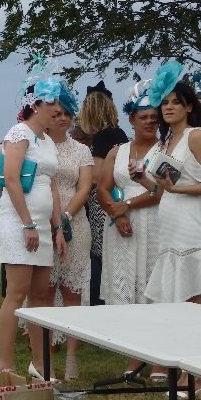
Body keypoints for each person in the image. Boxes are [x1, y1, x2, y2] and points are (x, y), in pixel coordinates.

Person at [141, 63, 201, 397]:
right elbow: (161, 191)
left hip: (191, 223)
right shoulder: (165, 141)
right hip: (169, 223)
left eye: (176, 102)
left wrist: (177, 190)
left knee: (196, 299)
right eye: (165, 102)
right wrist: (143, 180)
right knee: (175, 299)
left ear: (189, 106)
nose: (169, 107)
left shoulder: (196, 136)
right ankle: (183, 370)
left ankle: (198, 376)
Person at [0, 79, 67, 380]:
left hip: (44, 227)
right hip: (18, 223)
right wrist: (28, 224)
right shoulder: (19, 133)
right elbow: (11, 179)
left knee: (41, 295)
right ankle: (5, 364)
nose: (57, 112)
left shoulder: (48, 141)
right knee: (17, 292)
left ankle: (40, 363)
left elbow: (53, 186)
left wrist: (58, 227)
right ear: (36, 105)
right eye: (52, 106)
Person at [97, 82, 163, 378]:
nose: (150, 122)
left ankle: (159, 360)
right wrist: (117, 214)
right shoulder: (117, 151)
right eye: (143, 117)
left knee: (154, 287)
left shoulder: (165, 149)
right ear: (131, 119)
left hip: (155, 223)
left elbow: (164, 191)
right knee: (127, 288)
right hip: (122, 227)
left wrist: (128, 205)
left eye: (154, 117)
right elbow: (102, 188)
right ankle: (135, 357)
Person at [44, 92, 92, 380]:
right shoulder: (36, 146)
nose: (62, 118)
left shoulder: (81, 150)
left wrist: (65, 217)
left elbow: (84, 188)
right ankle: (46, 360)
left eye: (66, 113)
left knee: (73, 291)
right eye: (57, 113)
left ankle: (72, 359)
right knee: (45, 292)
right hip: (43, 223)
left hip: (76, 222)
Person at [77, 81, 129, 306]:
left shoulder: (102, 137)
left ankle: (100, 302)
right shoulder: (120, 133)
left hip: (101, 204)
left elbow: (96, 176)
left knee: (100, 256)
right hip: (118, 197)